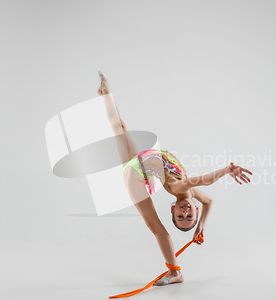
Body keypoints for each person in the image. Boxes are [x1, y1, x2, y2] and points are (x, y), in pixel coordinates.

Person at [97, 71, 252, 286]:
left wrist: (226, 170)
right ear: (196, 209)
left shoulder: (179, 187)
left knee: (155, 227)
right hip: (138, 164)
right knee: (118, 127)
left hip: (135, 176)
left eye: (181, 216)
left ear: (173, 210)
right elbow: (209, 201)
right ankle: (105, 94)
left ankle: (174, 271)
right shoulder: (194, 197)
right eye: (190, 215)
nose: (186, 212)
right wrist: (201, 227)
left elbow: (203, 180)